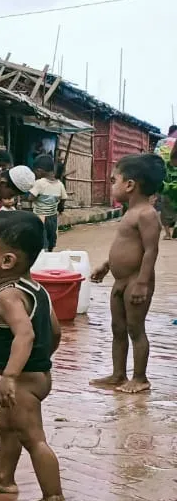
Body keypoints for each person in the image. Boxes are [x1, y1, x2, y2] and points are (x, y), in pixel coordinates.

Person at [0, 210, 69, 501]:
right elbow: (53, 330)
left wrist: (11, 376)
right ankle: (3, 478)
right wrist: (43, 360)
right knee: (7, 426)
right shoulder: (35, 288)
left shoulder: (8, 297)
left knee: (33, 437)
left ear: (7, 261)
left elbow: (24, 335)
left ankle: (54, 499)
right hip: (37, 374)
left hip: (24, 381)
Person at [89, 153, 164, 394]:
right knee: (118, 328)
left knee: (135, 329)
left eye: (114, 181)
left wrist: (142, 282)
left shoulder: (147, 214)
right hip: (120, 280)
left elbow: (151, 250)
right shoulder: (129, 212)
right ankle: (118, 374)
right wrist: (106, 265)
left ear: (130, 185)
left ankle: (140, 378)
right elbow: (125, 246)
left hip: (135, 281)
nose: (112, 186)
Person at [30, 155, 68, 251]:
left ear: (39, 171)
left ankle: (44, 256)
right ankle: (50, 254)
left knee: (42, 239)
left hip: (40, 217)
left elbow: (30, 198)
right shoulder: (60, 184)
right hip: (53, 217)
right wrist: (60, 208)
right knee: (51, 238)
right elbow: (63, 199)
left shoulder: (39, 183)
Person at [152, 125, 177, 239]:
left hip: (165, 178)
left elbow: (155, 159)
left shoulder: (161, 143)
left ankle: (168, 234)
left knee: (165, 206)